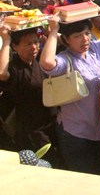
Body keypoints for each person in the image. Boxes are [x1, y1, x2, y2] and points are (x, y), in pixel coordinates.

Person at [39, 13, 100, 174]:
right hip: (76, 132)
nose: (85, 39)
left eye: (87, 33)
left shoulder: (96, 48)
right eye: (77, 36)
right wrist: (53, 32)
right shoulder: (66, 59)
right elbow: (47, 63)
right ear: (66, 39)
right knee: (85, 178)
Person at [0, 26, 58, 164]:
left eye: (36, 42)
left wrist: (51, 33)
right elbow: (2, 74)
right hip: (30, 129)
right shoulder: (15, 67)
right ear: (15, 47)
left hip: (52, 123)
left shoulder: (41, 61)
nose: (34, 47)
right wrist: (6, 40)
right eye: (28, 44)